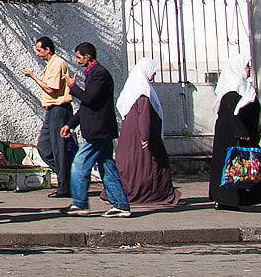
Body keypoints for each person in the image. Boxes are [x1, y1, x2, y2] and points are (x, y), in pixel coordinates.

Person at [209, 53, 261, 211]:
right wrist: (241, 132)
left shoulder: (243, 86)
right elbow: (230, 114)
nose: (249, 69)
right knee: (246, 167)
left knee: (243, 167)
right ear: (237, 68)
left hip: (243, 134)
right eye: (246, 66)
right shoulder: (233, 87)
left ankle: (229, 200)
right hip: (236, 137)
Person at [64, 41, 131, 218]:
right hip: (100, 130)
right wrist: (71, 124)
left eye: (79, 57)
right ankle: (121, 205)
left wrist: (73, 88)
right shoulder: (92, 74)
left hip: (99, 131)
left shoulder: (99, 74)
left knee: (79, 165)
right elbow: (87, 105)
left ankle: (80, 203)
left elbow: (90, 99)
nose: (77, 61)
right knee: (107, 167)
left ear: (88, 56)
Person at [115, 58, 179, 208]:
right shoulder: (143, 90)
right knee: (148, 164)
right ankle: (151, 194)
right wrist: (145, 136)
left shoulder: (134, 87)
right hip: (141, 134)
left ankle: (125, 192)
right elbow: (144, 115)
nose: (153, 75)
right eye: (153, 71)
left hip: (130, 133)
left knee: (132, 163)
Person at [23, 35, 77, 199]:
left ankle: (65, 185)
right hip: (51, 110)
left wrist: (32, 76)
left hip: (59, 109)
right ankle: (67, 178)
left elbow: (51, 90)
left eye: (39, 50)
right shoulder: (51, 64)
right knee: (44, 147)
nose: (38, 54)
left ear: (48, 49)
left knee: (59, 148)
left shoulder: (57, 63)